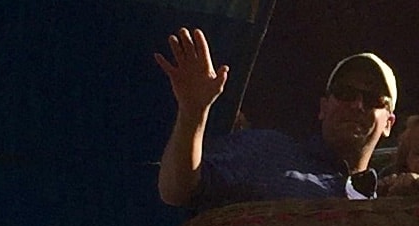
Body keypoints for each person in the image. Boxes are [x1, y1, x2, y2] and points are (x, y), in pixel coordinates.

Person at [153, 30, 397, 208]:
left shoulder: (385, 207)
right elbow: (175, 190)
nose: (357, 105)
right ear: (323, 108)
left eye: (374, 99)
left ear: (389, 123)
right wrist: (193, 112)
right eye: (345, 93)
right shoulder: (265, 150)